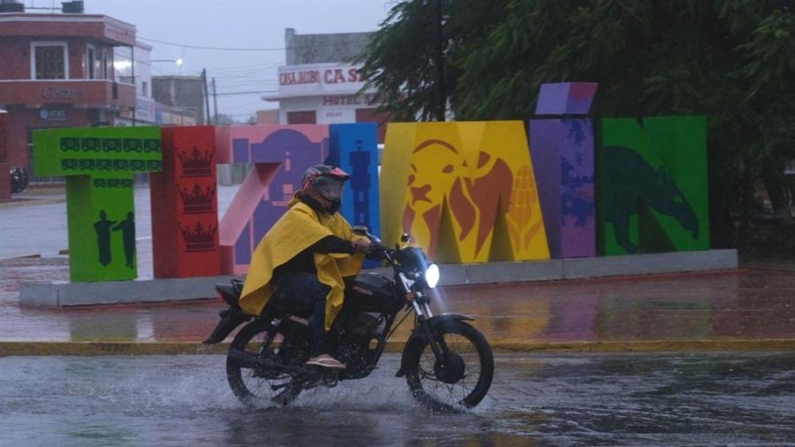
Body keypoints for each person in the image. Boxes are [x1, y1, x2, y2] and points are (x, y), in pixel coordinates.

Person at [238, 165, 370, 369]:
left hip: (309, 275)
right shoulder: (300, 213)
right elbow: (323, 240)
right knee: (326, 291)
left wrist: (375, 246)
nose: (332, 194)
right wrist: (352, 246)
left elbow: (349, 234)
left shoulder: (330, 217)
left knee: (352, 292)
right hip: (287, 279)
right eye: (327, 188)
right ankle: (319, 352)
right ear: (311, 188)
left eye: (336, 189)